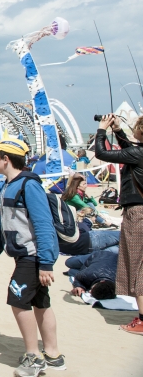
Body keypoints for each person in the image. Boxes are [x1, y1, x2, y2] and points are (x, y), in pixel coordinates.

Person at [0, 137, 64, 376]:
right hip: (25, 256)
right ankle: (53, 355)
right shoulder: (9, 185)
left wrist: (46, 263)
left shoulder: (29, 185)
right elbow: (2, 225)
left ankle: (33, 357)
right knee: (40, 302)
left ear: (5, 159)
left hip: (33, 256)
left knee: (17, 299)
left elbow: (43, 224)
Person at [93, 114, 143, 335]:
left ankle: (142, 320)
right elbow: (130, 152)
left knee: (137, 266)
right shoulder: (138, 152)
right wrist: (119, 131)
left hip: (138, 213)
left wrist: (102, 130)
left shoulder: (137, 152)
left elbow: (101, 153)